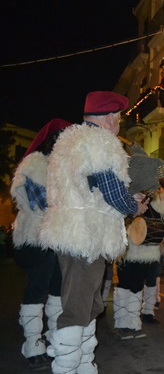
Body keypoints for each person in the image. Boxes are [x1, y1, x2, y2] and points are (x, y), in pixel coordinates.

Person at [40, 91, 148, 374]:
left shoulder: (68, 142)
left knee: (90, 302)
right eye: (119, 119)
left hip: (70, 233)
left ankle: (84, 364)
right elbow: (113, 193)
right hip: (87, 235)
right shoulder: (100, 143)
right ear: (111, 118)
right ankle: (66, 366)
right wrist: (134, 207)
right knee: (77, 306)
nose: (119, 125)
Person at [11, 118, 71, 370]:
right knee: (37, 289)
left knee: (58, 290)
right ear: (50, 141)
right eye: (60, 139)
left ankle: (53, 338)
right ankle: (32, 343)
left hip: (60, 239)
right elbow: (43, 204)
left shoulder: (65, 169)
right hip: (38, 237)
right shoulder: (36, 164)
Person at [112, 145, 164, 340]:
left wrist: (154, 195)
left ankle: (133, 323)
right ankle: (122, 323)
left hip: (147, 251)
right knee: (125, 286)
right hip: (129, 250)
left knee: (137, 287)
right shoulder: (127, 193)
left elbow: (162, 212)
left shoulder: (154, 196)